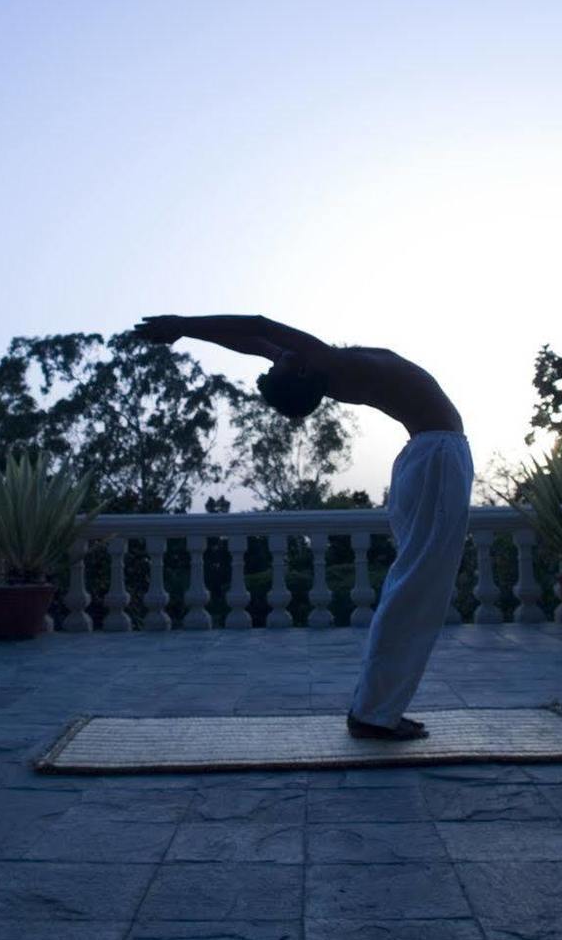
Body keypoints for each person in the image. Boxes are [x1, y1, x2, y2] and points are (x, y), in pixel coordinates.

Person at [132, 313, 473, 741]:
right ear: (302, 369)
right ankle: (374, 713)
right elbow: (260, 325)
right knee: (417, 590)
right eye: (277, 366)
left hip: (427, 456)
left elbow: (253, 341)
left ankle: (376, 708)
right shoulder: (335, 365)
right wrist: (182, 322)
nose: (273, 360)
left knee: (413, 587)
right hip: (437, 457)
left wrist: (189, 332)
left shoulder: (320, 366)